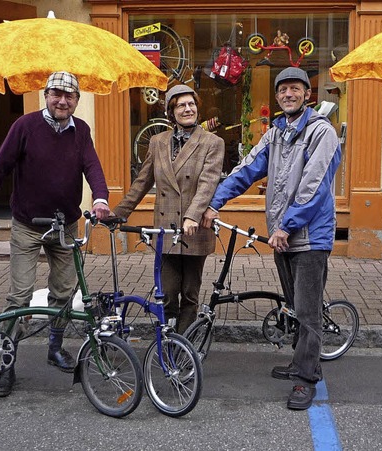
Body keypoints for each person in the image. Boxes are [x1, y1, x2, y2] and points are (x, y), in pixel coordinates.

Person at [202, 67, 341, 410]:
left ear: (307, 94)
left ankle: (306, 380)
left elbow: (313, 186)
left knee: (307, 313)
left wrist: (286, 226)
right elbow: (247, 169)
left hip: (309, 237)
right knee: (294, 306)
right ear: (277, 96)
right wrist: (213, 202)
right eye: (283, 90)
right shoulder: (276, 133)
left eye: (295, 89)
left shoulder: (322, 133)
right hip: (283, 235)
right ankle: (299, 361)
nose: (288, 94)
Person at [0, 71, 111, 397]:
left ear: (76, 100)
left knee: (63, 293)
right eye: (56, 94)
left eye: (69, 96)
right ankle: (5, 361)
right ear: (46, 95)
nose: (62, 101)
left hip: (65, 226)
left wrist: (101, 197)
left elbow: (92, 167)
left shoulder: (81, 131)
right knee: (19, 297)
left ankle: (55, 347)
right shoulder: (25, 126)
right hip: (27, 226)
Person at [113, 84, 224, 334]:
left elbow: (207, 183)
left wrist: (192, 216)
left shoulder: (212, 142)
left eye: (192, 104)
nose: (188, 109)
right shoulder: (157, 141)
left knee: (189, 292)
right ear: (171, 112)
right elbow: (143, 181)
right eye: (181, 105)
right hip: (165, 229)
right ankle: (169, 335)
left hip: (193, 229)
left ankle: (184, 344)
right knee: (168, 291)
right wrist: (119, 213)